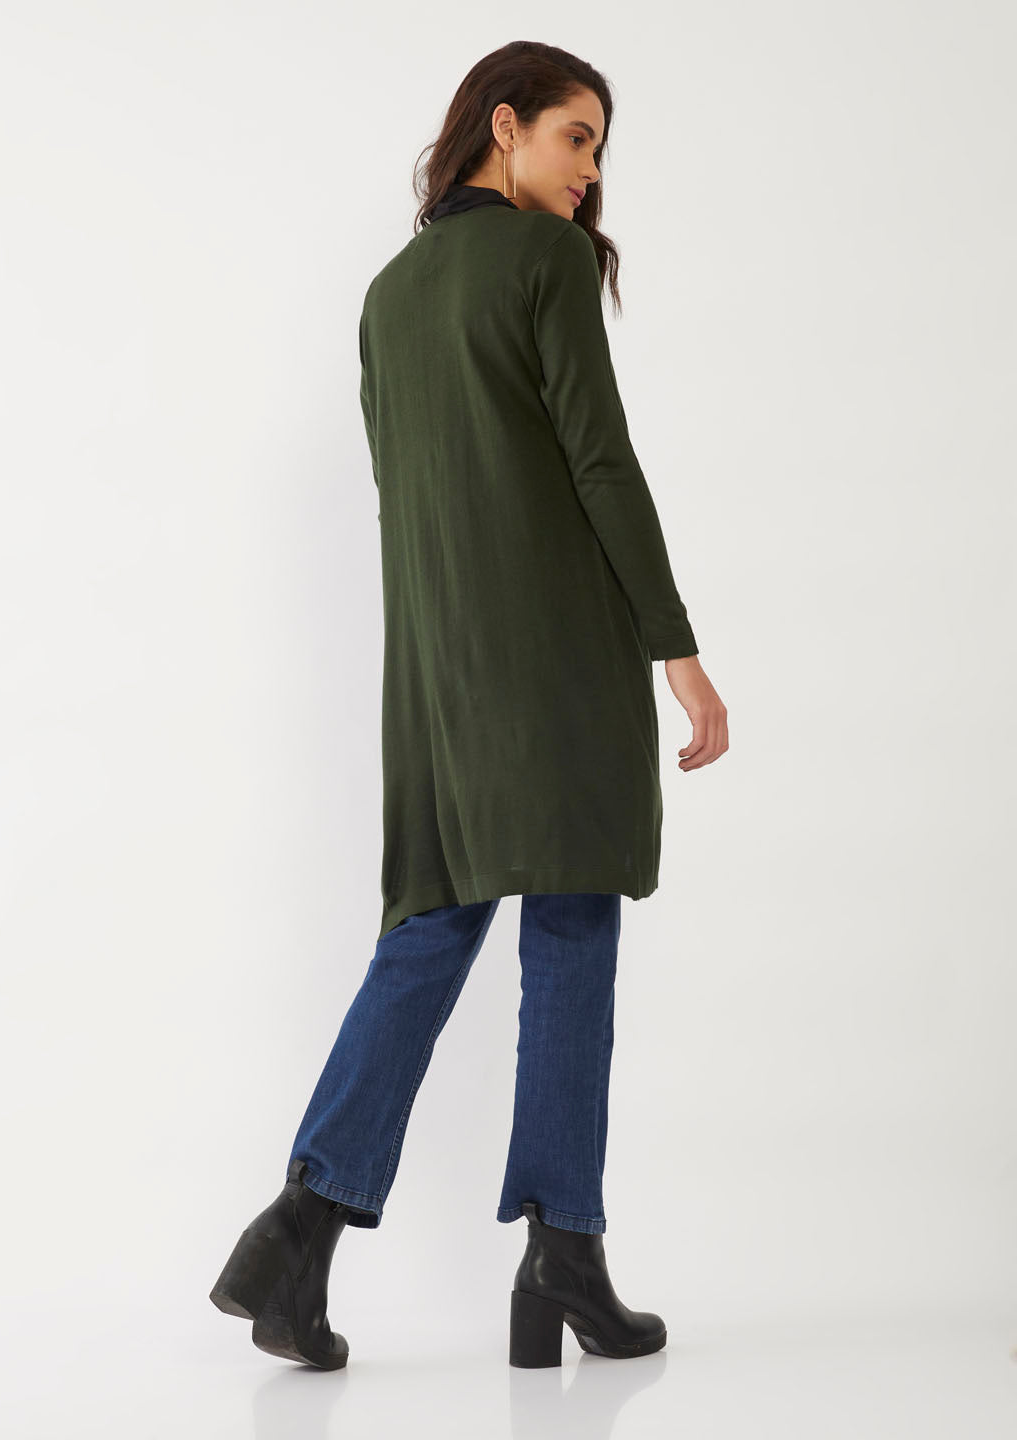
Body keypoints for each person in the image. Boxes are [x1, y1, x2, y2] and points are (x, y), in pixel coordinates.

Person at [209, 40, 728, 1370]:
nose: (590, 170)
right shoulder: (544, 262)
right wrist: (675, 649)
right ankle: (564, 1253)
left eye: (600, 147)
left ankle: (298, 1228)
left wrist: (435, 673)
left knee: (433, 926)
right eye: (576, 136)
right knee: (572, 924)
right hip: (559, 659)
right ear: (505, 127)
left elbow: (404, 499)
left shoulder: (389, 295)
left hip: (440, 672)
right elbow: (600, 463)